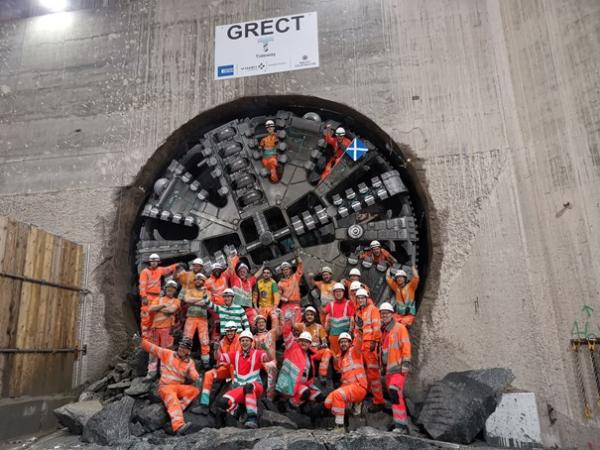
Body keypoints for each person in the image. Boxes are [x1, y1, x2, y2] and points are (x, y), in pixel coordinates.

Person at [138, 335, 200, 435]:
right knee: (172, 398)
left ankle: (178, 407)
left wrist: (197, 378)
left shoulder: (190, 362)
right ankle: (178, 426)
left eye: (184, 348)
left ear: (188, 351)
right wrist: (141, 341)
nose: (181, 349)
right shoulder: (168, 354)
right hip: (165, 387)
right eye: (181, 346)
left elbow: (193, 372)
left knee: (194, 390)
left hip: (178, 387)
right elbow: (154, 349)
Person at [217, 329, 271, 428]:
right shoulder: (235, 354)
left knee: (248, 387)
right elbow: (219, 357)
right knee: (222, 402)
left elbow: (269, 358)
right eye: (242, 340)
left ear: (251, 342)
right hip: (241, 389)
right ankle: (238, 412)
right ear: (240, 342)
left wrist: (266, 348)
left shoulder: (257, 353)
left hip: (256, 387)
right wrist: (215, 349)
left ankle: (252, 418)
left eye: (247, 340)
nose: (244, 342)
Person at [276, 312, 328, 409]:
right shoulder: (292, 347)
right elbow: (286, 332)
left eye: (307, 342)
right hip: (289, 384)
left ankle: (311, 413)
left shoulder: (310, 355)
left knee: (320, 397)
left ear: (310, 344)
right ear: (298, 341)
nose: (304, 343)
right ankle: (290, 405)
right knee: (305, 393)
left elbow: (309, 374)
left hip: (303, 384)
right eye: (302, 341)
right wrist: (287, 321)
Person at [324, 332, 368, 432]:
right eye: (341, 342)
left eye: (345, 342)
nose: (343, 344)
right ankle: (353, 404)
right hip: (348, 388)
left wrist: (360, 330)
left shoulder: (354, 351)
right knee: (328, 403)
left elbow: (359, 342)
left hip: (359, 386)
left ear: (350, 343)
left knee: (337, 395)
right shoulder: (340, 358)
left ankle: (339, 426)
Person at [378, 302, 411, 434]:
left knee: (394, 392)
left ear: (392, 314)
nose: (384, 315)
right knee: (395, 397)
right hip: (389, 371)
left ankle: (402, 426)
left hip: (398, 369)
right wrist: (381, 366)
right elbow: (383, 351)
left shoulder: (399, 328)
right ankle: (401, 424)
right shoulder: (384, 331)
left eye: (386, 313)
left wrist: (406, 364)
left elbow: (406, 346)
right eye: (382, 313)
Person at [195, 321, 240, 413]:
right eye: (228, 331)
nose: (230, 333)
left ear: (235, 331)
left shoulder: (240, 340)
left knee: (232, 369)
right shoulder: (222, 342)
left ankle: (234, 405)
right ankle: (204, 405)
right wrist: (215, 350)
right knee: (208, 374)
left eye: (232, 331)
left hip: (237, 368)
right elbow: (217, 358)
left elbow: (237, 358)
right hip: (225, 368)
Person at [352, 288, 384, 410]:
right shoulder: (359, 312)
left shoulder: (373, 309)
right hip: (362, 347)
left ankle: (378, 401)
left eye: (362, 298)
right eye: (358, 298)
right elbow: (358, 331)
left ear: (366, 298)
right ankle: (370, 394)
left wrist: (375, 342)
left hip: (370, 345)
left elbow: (377, 326)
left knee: (373, 374)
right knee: (365, 373)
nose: (360, 300)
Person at [138, 254, 178, 339]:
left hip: (157, 297)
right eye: (152, 261)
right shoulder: (145, 272)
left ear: (158, 262)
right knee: (146, 318)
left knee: (154, 317)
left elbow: (168, 269)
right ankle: (145, 339)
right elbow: (142, 285)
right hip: (148, 296)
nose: (154, 262)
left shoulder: (159, 270)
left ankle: (152, 338)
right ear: (150, 262)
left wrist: (177, 265)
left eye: (155, 261)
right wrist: (144, 296)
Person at [146, 279, 180, 377]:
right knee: (153, 351)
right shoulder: (159, 299)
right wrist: (164, 305)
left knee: (166, 351)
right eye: (169, 288)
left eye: (172, 288)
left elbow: (171, 310)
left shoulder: (176, 301)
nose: (170, 290)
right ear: (165, 289)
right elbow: (150, 308)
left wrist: (159, 308)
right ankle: (151, 372)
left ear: (175, 291)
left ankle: (164, 373)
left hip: (168, 329)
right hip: (155, 329)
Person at [182, 273, 211, 367]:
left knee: (204, 340)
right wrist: (199, 300)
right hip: (191, 317)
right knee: (187, 339)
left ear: (203, 281)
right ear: (194, 281)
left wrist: (193, 301)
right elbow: (186, 299)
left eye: (200, 279)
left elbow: (206, 302)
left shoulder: (207, 291)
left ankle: (206, 362)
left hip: (203, 318)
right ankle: (184, 359)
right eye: (197, 279)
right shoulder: (189, 290)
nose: (198, 281)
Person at [228, 255, 260, 327]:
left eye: (244, 271)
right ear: (238, 273)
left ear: (247, 273)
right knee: (237, 328)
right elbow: (231, 268)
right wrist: (230, 257)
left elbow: (256, 276)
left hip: (249, 309)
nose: (242, 272)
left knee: (255, 324)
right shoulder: (235, 279)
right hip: (237, 310)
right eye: (241, 271)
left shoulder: (250, 281)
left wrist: (264, 266)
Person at [323, 283, 355, 355]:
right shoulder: (330, 305)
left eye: (340, 291)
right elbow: (325, 320)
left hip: (345, 336)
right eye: (336, 291)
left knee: (347, 355)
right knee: (335, 356)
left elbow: (352, 320)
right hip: (333, 336)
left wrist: (350, 332)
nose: (338, 293)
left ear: (343, 292)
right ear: (334, 293)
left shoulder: (348, 303)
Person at [253, 314, 279, 400]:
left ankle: (270, 398)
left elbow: (277, 326)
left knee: (272, 367)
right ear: (256, 325)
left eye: (263, 322)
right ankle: (255, 395)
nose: (261, 324)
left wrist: (274, 314)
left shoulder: (272, 333)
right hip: (259, 361)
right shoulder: (254, 337)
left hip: (270, 360)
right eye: (259, 322)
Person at [278, 253, 304, 324]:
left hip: (296, 304)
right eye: (284, 270)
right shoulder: (280, 283)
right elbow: (278, 295)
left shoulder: (295, 277)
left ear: (290, 270)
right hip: (286, 306)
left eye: (287, 269)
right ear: (282, 272)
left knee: (297, 324)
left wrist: (297, 256)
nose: (286, 271)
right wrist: (283, 298)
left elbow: (300, 266)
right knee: (286, 325)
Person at [253, 266, 281, 332]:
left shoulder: (273, 283)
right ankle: (263, 335)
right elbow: (255, 295)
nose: (266, 274)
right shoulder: (259, 283)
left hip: (271, 307)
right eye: (264, 273)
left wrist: (275, 307)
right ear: (262, 274)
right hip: (261, 307)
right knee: (260, 321)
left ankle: (274, 334)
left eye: (268, 273)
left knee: (274, 318)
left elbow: (276, 296)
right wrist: (255, 307)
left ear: (271, 274)